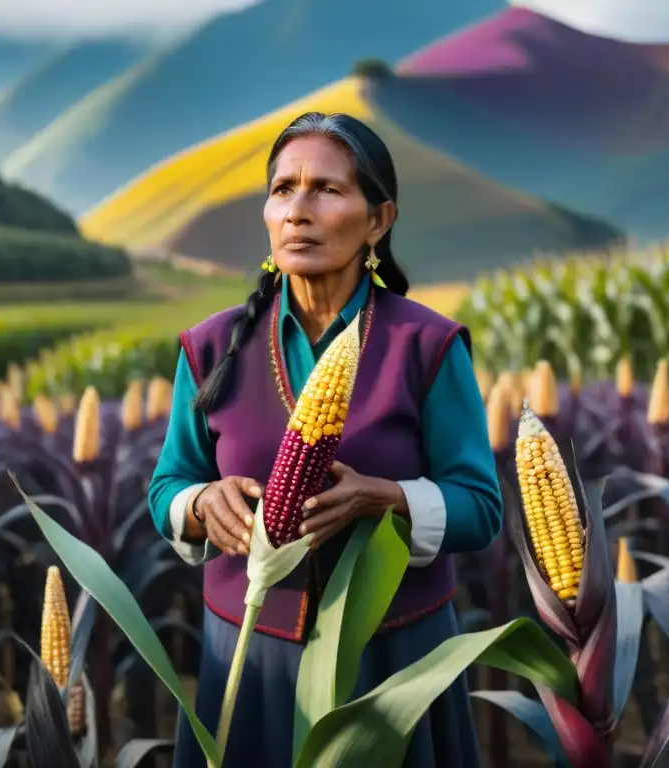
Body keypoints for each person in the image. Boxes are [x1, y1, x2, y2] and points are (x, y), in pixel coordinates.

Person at [148, 111, 503, 768]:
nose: (298, 211)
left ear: (379, 220)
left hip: (393, 659)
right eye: (283, 190)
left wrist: (385, 497)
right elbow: (168, 484)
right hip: (250, 655)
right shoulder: (209, 347)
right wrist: (199, 506)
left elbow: (480, 508)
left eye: (327, 190)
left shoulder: (426, 347)